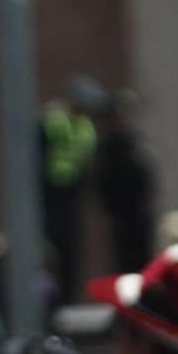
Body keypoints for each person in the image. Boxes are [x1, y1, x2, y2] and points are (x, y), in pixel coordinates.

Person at [42, 78, 105, 290]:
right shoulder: (54, 120)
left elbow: (88, 160)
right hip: (50, 192)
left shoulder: (86, 127)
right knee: (50, 246)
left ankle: (68, 293)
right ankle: (52, 294)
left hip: (72, 192)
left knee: (70, 246)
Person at [95, 88, 160, 278]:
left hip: (140, 208)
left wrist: (152, 199)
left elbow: (147, 173)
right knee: (123, 258)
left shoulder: (137, 140)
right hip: (119, 210)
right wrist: (106, 207)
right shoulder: (107, 144)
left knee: (144, 256)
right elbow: (102, 179)